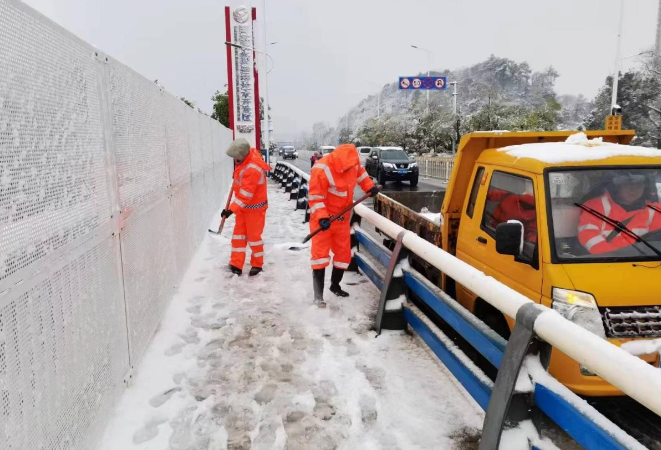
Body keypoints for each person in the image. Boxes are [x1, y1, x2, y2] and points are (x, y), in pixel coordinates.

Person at [307, 143, 379, 308]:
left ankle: (335, 285)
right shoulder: (321, 169)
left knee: (343, 255)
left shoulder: (352, 164)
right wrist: (322, 217)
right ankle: (318, 296)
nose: (348, 171)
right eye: (345, 168)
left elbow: (361, 175)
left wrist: (370, 187)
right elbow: (315, 197)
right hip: (323, 221)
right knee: (320, 256)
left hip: (341, 220)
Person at [221, 138, 272, 276]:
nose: (234, 160)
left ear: (241, 155)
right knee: (238, 236)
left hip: (255, 208)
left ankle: (257, 264)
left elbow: (245, 195)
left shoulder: (253, 168)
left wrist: (230, 210)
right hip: (243, 208)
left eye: (236, 157)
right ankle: (236, 264)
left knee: (254, 238)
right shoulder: (244, 161)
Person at [578, 170, 661, 254]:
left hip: (645, 263)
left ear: (645, 187)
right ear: (617, 187)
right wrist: (615, 257)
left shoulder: (654, 210)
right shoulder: (595, 206)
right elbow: (589, 237)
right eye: (628, 184)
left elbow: (657, 242)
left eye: (639, 184)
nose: (634, 189)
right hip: (608, 263)